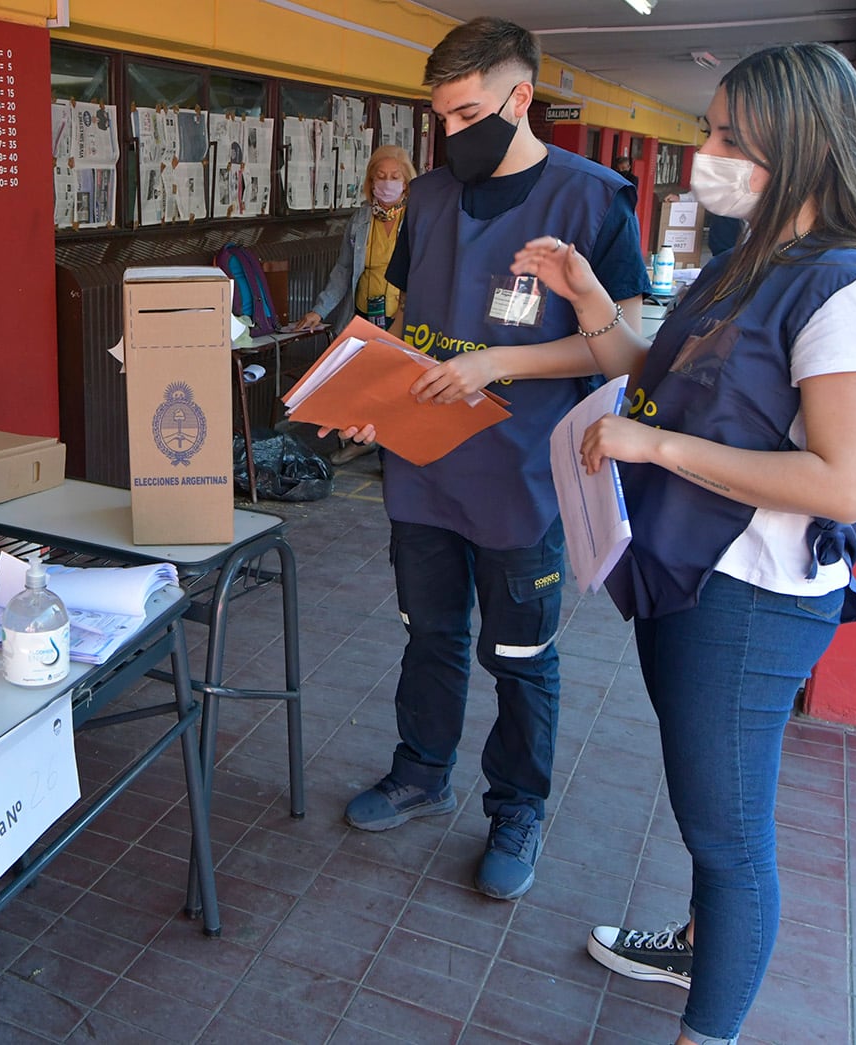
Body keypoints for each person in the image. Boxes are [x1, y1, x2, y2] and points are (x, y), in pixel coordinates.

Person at [511, 43, 856, 1045]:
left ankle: (713, 1027)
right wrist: (587, 299)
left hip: (749, 601)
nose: (710, 152)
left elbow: (841, 480)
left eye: (731, 137)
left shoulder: (852, 290)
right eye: (711, 130)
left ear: (799, 145)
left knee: (729, 833)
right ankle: (699, 942)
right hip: (685, 576)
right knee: (711, 800)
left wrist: (652, 443)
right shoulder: (746, 263)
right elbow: (653, 374)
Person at [334, 17, 650, 901]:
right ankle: (420, 770)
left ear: (520, 98)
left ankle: (516, 806)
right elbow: (405, 330)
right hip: (424, 471)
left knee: (519, 654)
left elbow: (621, 346)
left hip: (523, 479)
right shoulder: (429, 199)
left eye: (469, 111)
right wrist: (374, 403)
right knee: (428, 635)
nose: (451, 133)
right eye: (440, 117)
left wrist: (498, 361)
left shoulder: (593, 199)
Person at [295, 143, 417, 465]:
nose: (387, 183)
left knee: (396, 385)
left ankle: (392, 454)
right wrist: (319, 309)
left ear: (406, 182)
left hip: (403, 315)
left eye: (394, 176)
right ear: (370, 182)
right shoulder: (360, 220)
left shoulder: (418, 218)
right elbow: (343, 270)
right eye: (380, 176)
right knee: (355, 380)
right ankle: (356, 440)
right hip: (363, 313)